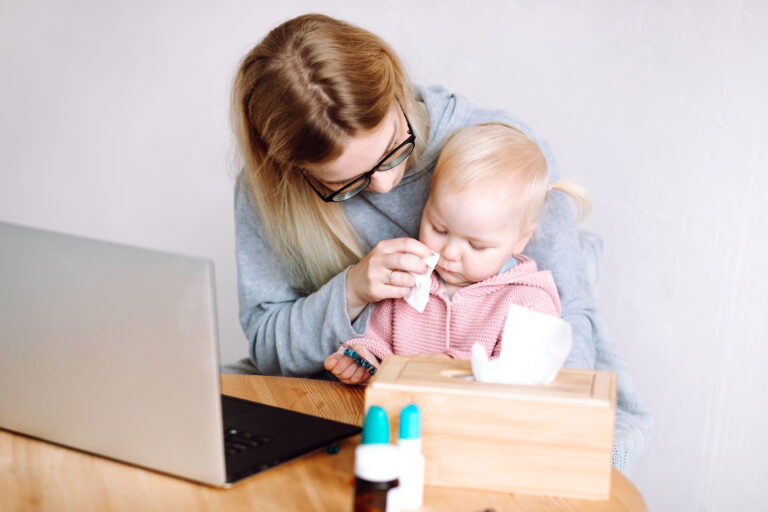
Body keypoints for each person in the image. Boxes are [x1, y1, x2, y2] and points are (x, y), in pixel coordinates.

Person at [231, 13, 651, 475]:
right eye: (345, 184)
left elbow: (569, 319)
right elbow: (271, 351)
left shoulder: (501, 155)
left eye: (394, 149)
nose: (387, 184)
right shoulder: (267, 192)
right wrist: (349, 291)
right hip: (344, 401)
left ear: (396, 89)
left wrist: (527, 420)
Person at [323, 123, 589, 385]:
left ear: (520, 240)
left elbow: (521, 378)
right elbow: (377, 338)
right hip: (406, 418)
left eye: (475, 245)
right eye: (439, 228)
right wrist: (364, 357)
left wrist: (449, 367)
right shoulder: (408, 277)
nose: (449, 253)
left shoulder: (530, 302)